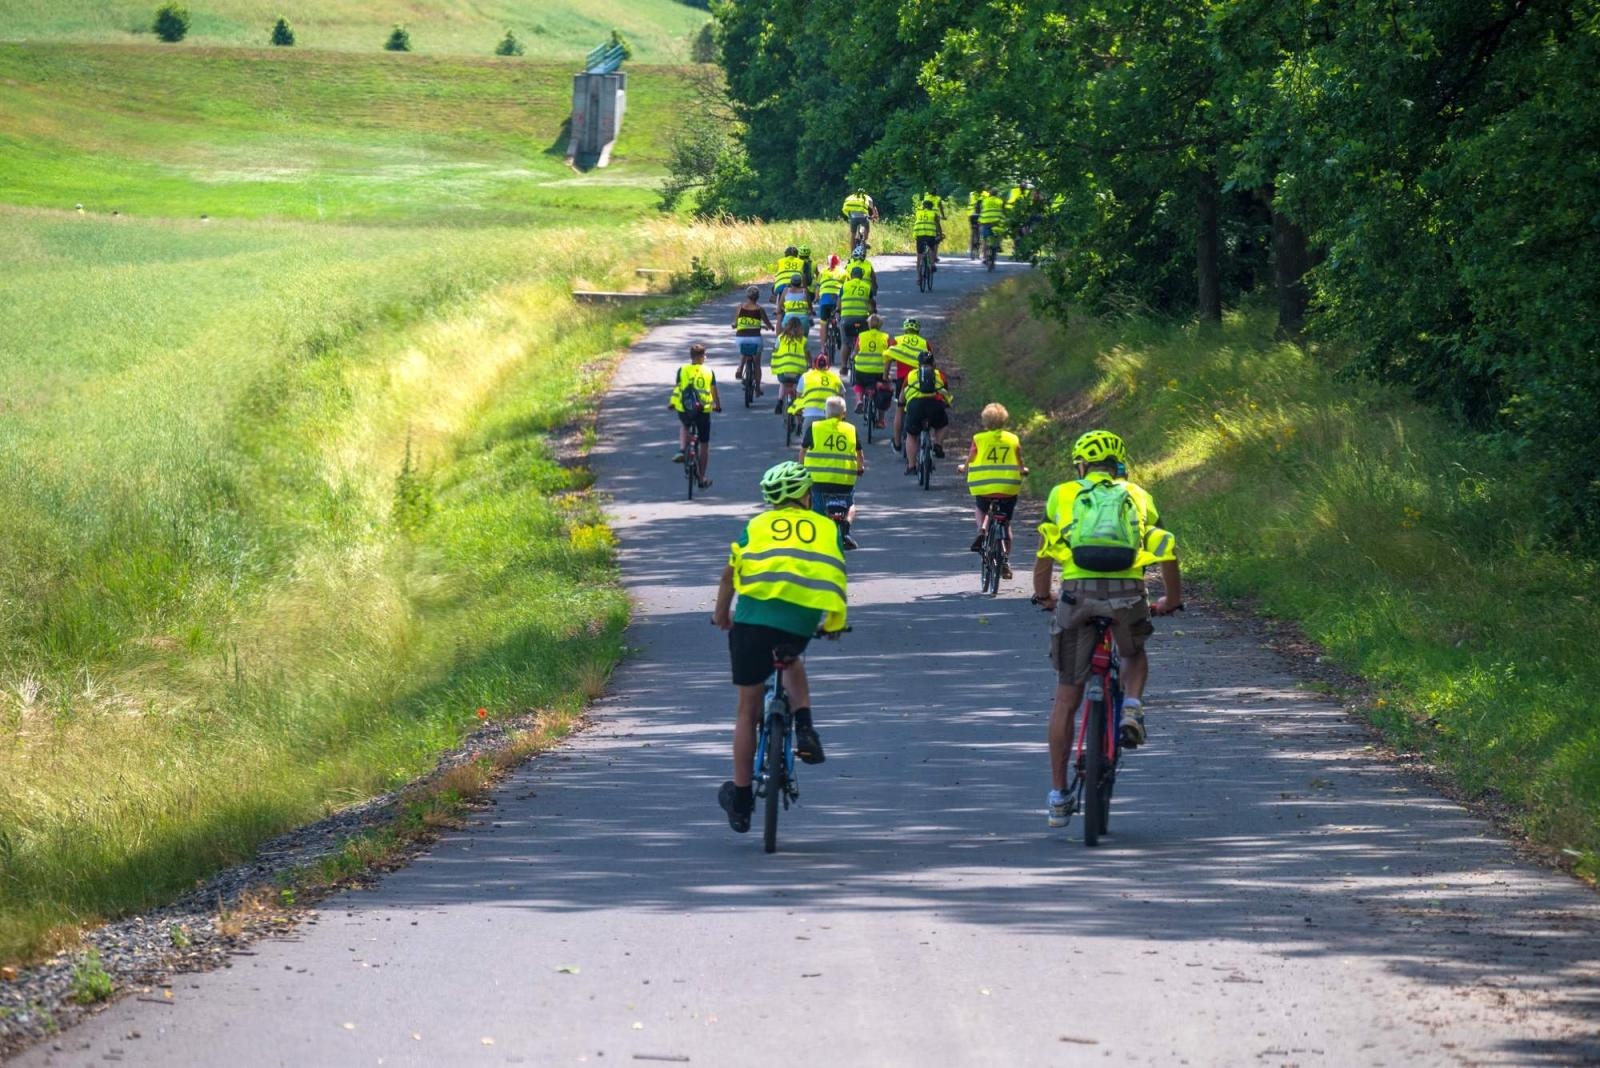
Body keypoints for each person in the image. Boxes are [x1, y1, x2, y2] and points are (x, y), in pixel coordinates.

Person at [1031, 430, 1183, 828]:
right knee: (1132, 651)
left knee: (1066, 696)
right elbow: (1165, 546)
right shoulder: (1138, 494)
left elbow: (1046, 550)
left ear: (1081, 465)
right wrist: (1171, 599)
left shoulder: (1062, 494)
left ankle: (1059, 795)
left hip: (1076, 595)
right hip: (1127, 593)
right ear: (1119, 465)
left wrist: (1043, 595)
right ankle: (1131, 707)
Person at [712, 461, 848, 832]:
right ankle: (805, 727)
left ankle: (740, 801)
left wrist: (722, 612)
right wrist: (833, 620)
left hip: (752, 622)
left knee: (746, 712)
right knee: (790, 660)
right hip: (799, 620)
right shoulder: (824, 526)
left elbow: (730, 572)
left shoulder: (756, 526)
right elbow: (834, 570)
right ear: (806, 494)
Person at [957, 403, 1028, 576]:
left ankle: (982, 528)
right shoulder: (1012, 439)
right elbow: (1019, 459)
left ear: (985, 421)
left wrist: (964, 467)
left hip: (984, 486)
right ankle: (1005, 560)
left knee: (981, 508)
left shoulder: (979, 438)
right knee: (1006, 523)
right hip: (1007, 487)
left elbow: (972, 456)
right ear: (1004, 420)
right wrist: (1023, 469)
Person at [800, 395, 865, 550]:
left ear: (825, 413)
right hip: (844, 481)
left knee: (817, 507)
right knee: (850, 505)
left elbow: (803, 452)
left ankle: (816, 535)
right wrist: (860, 468)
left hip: (819, 480)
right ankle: (845, 528)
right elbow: (860, 454)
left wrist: (801, 469)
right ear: (844, 414)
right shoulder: (851, 429)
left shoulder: (815, 428)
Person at [669, 343, 721, 488]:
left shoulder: (682, 370)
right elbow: (713, 390)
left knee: (685, 425)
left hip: (685, 408)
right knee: (704, 444)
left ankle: (681, 449)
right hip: (703, 410)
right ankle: (702, 477)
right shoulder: (709, 371)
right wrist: (717, 405)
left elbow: (678, 388)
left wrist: (673, 403)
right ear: (702, 357)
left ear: (691, 357)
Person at [900, 351, 952, 474]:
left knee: (911, 435)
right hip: (934, 405)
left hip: (915, 407)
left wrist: (901, 404)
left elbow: (902, 394)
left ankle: (911, 466)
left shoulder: (911, 374)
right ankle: (938, 445)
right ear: (933, 364)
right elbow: (945, 392)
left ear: (918, 364)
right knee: (942, 424)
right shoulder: (940, 375)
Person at [885, 318, 931, 449]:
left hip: (903, 381)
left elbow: (888, 358)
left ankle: (897, 443)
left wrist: (885, 376)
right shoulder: (924, 342)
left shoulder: (897, 340)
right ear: (918, 330)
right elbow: (931, 363)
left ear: (905, 329)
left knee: (900, 410)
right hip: (921, 379)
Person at [789, 353, 845, 442]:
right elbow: (841, 398)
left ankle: (799, 425)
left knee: (806, 447)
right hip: (829, 417)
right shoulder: (835, 377)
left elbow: (798, 397)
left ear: (814, 365)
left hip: (810, 416)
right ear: (828, 365)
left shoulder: (806, 376)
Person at [850, 313, 892, 424]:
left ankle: (859, 400)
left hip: (862, 370)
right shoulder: (885, 337)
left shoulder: (862, 336)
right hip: (879, 371)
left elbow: (855, 352)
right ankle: (881, 420)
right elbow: (890, 355)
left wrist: (852, 357)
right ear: (880, 325)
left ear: (868, 324)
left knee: (859, 384)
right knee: (882, 391)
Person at [732, 285, 774, 396]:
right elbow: (767, 323)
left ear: (747, 296)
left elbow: (735, 323)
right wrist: (771, 327)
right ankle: (758, 388)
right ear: (758, 297)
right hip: (755, 338)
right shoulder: (760, 309)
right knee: (757, 364)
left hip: (741, 337)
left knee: (743, 350)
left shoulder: (740, 307)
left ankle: (740, 367)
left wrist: (734, 325)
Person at [770, 316, 809, 415]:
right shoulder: (803, 340)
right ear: (800, 327)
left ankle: (779, 402)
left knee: (783, 384)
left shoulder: (780, 338)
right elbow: (807, 355)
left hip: (783, 371)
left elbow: (775, 350)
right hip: (798, 371)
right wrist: (810, 364)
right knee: (798, 386)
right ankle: (798, 406)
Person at [837, 265, 875, 352]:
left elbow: (839, 304)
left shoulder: (845, 286)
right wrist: (872, 312)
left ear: (851, 275)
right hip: (863, 319)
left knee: (845, 343)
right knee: (864, 339)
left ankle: (843, 365)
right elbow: (871, 304)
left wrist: (838, 310)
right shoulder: (867, 286)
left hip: (847, 318)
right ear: (861, 276)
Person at [815, 254, 845, 335]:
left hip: (824, 298)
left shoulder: (822, 272)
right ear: (838, 262)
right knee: (840, 314)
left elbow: (818, 287)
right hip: (837, 297)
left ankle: (822, 347)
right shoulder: (843, 272)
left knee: (823, 323)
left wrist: (816, 298)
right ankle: (838, 325)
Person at [912, 197, 943, 272]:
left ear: (923, 206)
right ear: (931, 207)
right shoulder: (933, 214)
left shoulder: (918, 213)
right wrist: (940, 234)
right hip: (930, 235)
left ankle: (918, 278)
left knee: (919, 255)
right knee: (931, 248)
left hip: (919, 234)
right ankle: (932, 264)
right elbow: (938, 225)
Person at [978, 189, 1006, 260]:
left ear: (989, 194)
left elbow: (981, 210)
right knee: (1000, 233)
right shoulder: (1000, 201)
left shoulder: (985, 201)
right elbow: (1003, 211)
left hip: (985, 221)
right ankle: (998, 245)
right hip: (996, 222)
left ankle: (984, 257)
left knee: (984, 239)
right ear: (997, 194)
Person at [966, 190, 982, 258]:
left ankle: (972, 248)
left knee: (973, 231)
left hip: (972, 215)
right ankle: (977, 249)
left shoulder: (971, 193)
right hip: (978, 216)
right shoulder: (983, 194)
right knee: (978, 233)